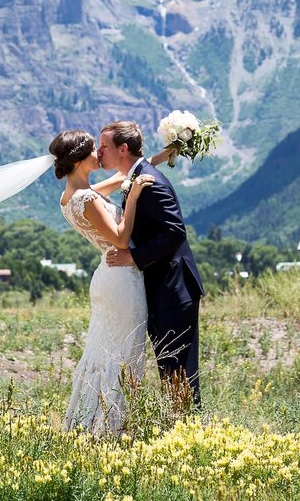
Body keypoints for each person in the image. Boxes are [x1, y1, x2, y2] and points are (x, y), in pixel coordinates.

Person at [49, 129, 170, 434]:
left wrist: (160, 158)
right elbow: (120, 238)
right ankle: (109, 428)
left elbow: (122, 180)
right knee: (124, 352)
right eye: (93, 150)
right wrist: (135, 198)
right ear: (79, 159)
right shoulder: (86, 198)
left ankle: (92, 423)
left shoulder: (70, 197)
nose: (99, 154)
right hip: (120, 279)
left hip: (108, 278)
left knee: (104, 352)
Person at [101, 120, 205, 408]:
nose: (99, 152)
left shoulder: (151, 182)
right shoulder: (136, 177)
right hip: (161, 287)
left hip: (173, 289)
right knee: (169, 370)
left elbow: (174, 232)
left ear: (122, 149)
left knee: (179, 370)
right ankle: (181, 429)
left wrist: (132, 257)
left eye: (104, 146)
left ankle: (189, 432)